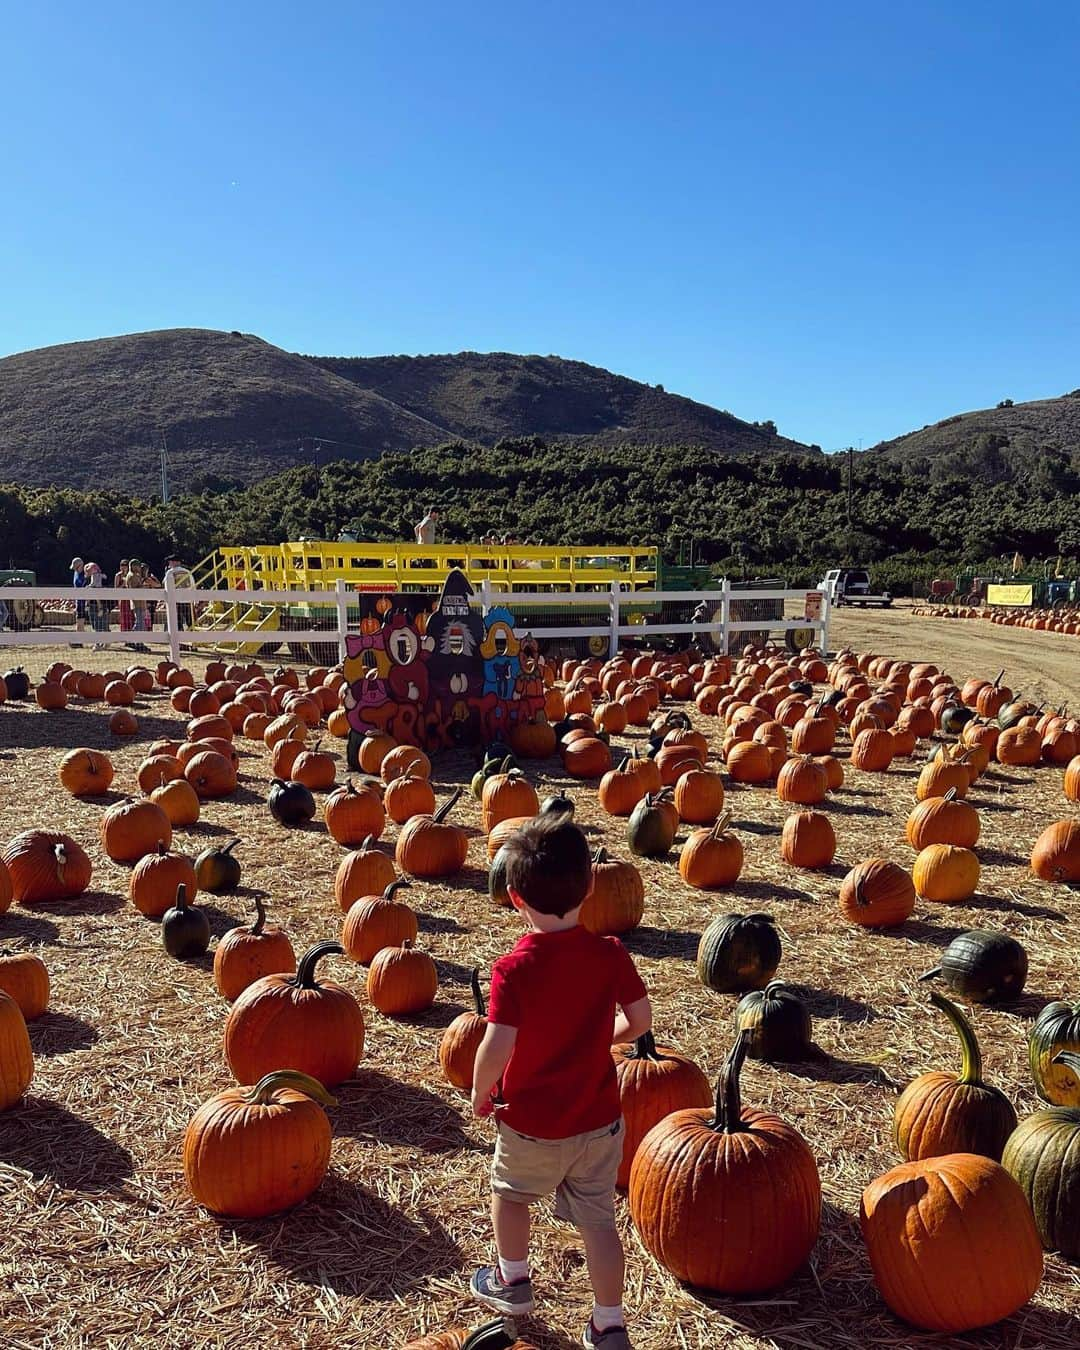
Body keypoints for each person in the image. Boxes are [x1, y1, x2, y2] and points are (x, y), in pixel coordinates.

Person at [469, 813, 651, 1350]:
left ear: (515, 898)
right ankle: (609, 1323)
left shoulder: (514, 969)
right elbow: (639, 1022)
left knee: (511, 1194)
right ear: (592, 885)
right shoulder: (610, 954)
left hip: (532, 1124)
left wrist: (482, 1092)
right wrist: (607, 1037)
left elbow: (497, 1044)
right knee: (598, 1222)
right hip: (599, 1123)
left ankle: (513, 1278)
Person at [163, 557, 194, 630]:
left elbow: (165, 584)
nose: (169, 564)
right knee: (189, 619)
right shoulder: (187, 572)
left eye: (170, 562)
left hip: (175, 599)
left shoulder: (170, 572)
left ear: (174, 562)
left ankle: (180, 636)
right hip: (187, 598)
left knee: (177, 620)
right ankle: (193, 636)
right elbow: (192, 584)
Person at [115, 560, 134, 634]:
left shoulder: (131, 575)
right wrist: (123, 583)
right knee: (124, 616)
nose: (123, 567)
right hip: (122, 598)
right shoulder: (118, 575)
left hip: (130, 598)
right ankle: (124, 632)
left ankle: (131, 632)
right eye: (122, 565)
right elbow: (116, 589)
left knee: (131, 615)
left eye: (125, 566)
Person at [70, 557, 87, 631]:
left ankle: (79, 636)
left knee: (81, 618)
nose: (75, 570)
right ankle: (78, 636)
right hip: (78, 600)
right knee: (79, 617)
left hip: (83, 601)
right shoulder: (76, 573)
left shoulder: (85, 575)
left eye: (76, 568)